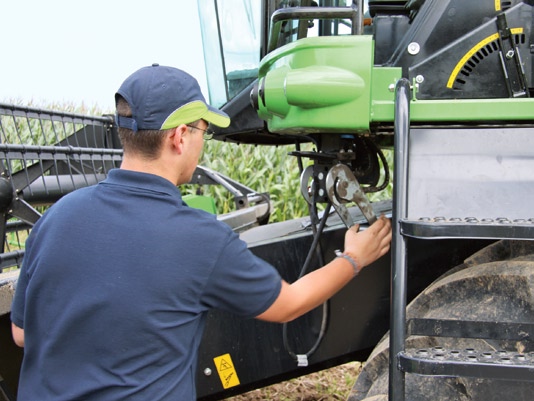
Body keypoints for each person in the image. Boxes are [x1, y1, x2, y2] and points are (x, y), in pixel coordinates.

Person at [10, 64, 392, 401]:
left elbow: (22, 335)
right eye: (202, 134)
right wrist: (354, 258)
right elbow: (288, 304)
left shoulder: (55, 219)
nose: (201, 147)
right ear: (179, 137)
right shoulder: (198, 238)